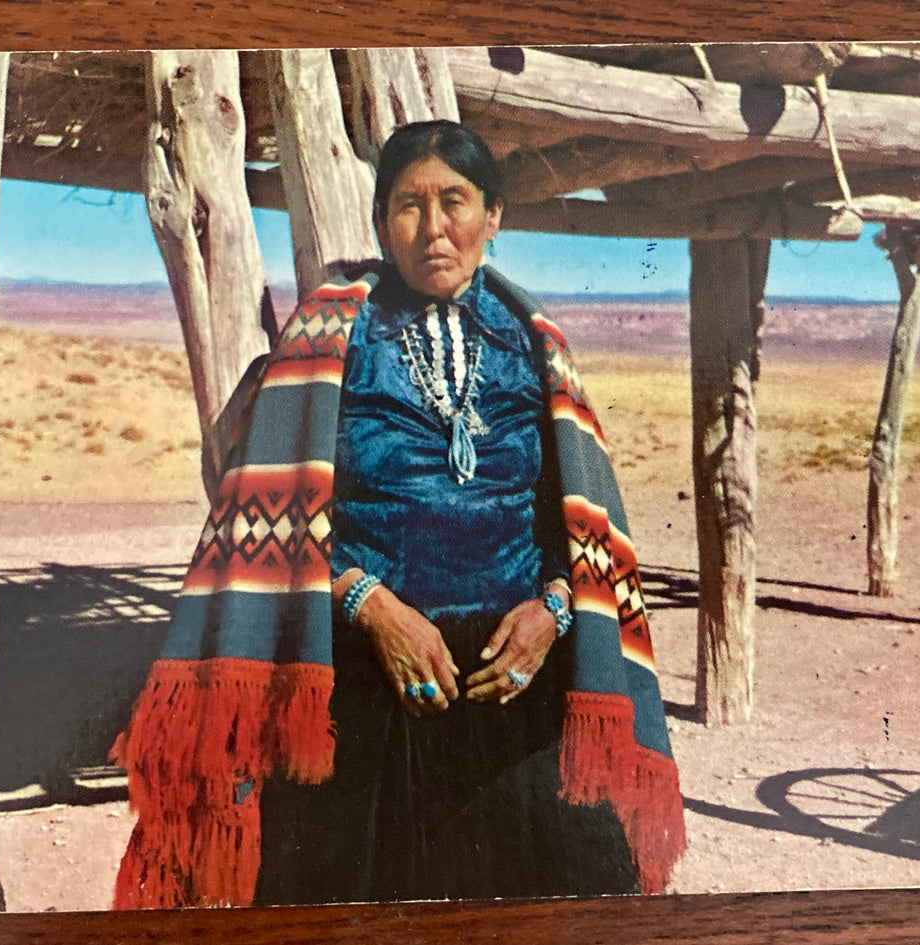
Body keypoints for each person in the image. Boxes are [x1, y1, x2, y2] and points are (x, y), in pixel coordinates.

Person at [112, 120, 684, 910]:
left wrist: (552, 611)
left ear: (493, 217)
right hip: (366, 681)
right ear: (382, 223)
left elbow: (575, 524)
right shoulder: (328, 336)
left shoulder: (534, 342)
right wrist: (369, 604)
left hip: (510, 679)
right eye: (409, 205)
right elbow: (279, 516)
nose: (434, 226)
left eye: (455, 201)